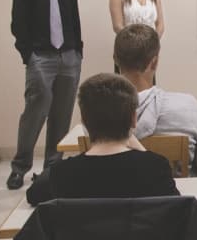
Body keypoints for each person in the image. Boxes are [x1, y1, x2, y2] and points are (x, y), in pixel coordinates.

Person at [26, 73, 176, 205]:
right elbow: (178, 207)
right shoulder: (156, 168)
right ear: (133, 119)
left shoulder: (61, 175)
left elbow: (33, 194)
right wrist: (143, 152)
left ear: (84, 121)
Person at [9, 0, 83, 190]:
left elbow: (75, 22)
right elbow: (18, 26)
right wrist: (28, 55)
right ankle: (20, 167)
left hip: (69, 56)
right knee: (35, 110)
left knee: (62, 114)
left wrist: (78, 52)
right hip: (41, 57)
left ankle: (53, 167)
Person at [113, 24, 197, 177]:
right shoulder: (188, 107)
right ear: (154, 62)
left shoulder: (96, 117)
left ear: (116, 60)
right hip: (177, 198)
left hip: (120, 199)